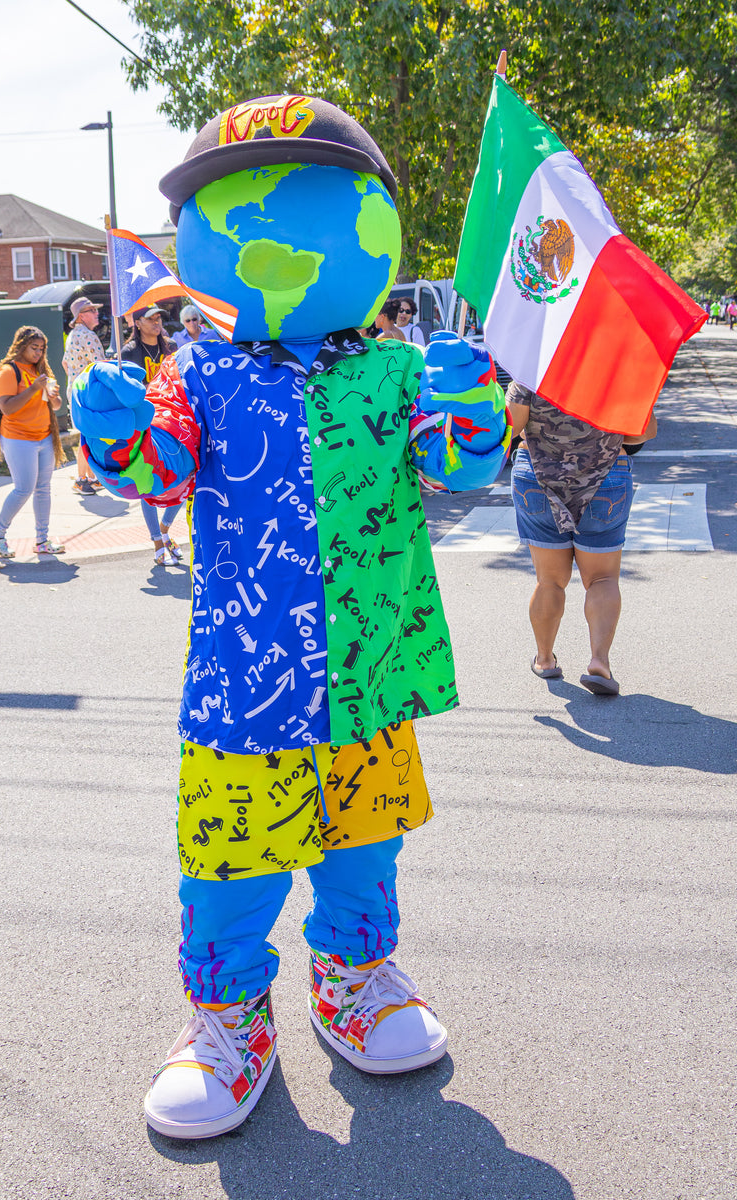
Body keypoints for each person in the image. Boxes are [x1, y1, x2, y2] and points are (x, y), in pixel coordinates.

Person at [72, 94, 511, 1141]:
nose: (271, 229)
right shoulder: (199, 372)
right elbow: (157, 473)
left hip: (368, 673)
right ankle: (227, 1018)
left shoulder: (397, 369)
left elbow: (460, 469)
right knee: (232, 860)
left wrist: (473, 406)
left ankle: (352, 978)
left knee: (364, 844)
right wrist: (117, 430)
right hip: (247, 681)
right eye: (236, 210)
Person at [507, 381, 657, 696]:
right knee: (602, 579)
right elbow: (644, 431)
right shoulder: (618, 370)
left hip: (537, 476)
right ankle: (599, 661)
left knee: (549, 580)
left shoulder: (531, 367)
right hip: (606, 475)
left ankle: (545, 660)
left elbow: (511, 427)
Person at [0, 325, 67, 558]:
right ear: (21, 346)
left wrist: (53, 396)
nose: (38, 353)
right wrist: (34, 388)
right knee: (23, 489)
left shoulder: (40, 370)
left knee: (43, 489)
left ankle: (42, 540)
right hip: (18, 439)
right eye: (34, 348)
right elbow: (7, 408)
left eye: (41, 349)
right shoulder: (8, 372)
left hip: (44, 437)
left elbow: (56, 405)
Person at [121, 306, 184, 565]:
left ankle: (165, 528)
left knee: (184, 476)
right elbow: (126, 392)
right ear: (137, 323)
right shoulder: (129, 353)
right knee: (148, 482)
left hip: (174, 422)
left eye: (159, 318)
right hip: (145, 425)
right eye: (151, 318)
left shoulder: (170, 347)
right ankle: (158, 542)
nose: (157, 322)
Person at [62, 297, 106, 495]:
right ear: (81, 316)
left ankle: (91, 478)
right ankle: (82, 480)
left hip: (75, 390)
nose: (97, 313)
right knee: (88, 436)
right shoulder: (88, 335)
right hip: (89, 392)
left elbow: (65, 363)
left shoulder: (72, 335)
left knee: (88, 435)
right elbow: (101, 367)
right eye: (92, 310)